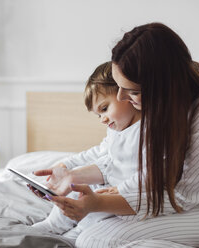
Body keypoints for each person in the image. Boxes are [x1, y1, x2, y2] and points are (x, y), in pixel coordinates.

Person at [46, 22, 199, 248]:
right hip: (180, 199)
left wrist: (102, 201)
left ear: (159, 84)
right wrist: (111, 191)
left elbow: (184, 195)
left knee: (95, 240)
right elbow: (155, 169)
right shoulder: (170, 99)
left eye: (132, 91)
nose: (121, 97)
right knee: (93, 231)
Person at [31, 61, 141, 241]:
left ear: (125, 93)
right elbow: (97, 153)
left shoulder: (146, 131)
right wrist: (66, 166)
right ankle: (53, 225)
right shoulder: (115, 130)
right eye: (98, 115)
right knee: (77, 186)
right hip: (108, 185)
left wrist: (114, 188)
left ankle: (75, 234)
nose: (103, 120)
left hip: (124, 196)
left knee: (96, 199)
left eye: (105, 109)